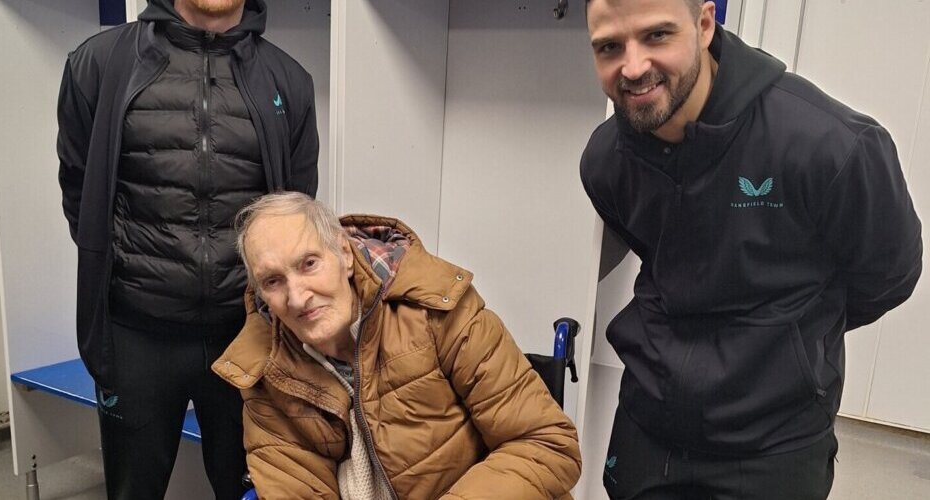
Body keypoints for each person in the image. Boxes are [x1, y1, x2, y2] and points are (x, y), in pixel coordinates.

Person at [579, 1, 922, 499]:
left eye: (656, 36)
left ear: (703, 24)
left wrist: (789, 342)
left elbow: (889, 275)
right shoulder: (605, 161)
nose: (632, 67)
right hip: (647, 432)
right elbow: (649, 251)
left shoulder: (829, 145)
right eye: (610, 46)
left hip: (773, 448)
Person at [56, 0, 318, 497]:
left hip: (247, 335)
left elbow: (296, 211)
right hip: (135, 335)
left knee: (252, 489)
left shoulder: (288, 81)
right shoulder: (98, 64)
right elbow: (80, 190)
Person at [212, 192, 582, 499]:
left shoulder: (438, 309)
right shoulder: (265, 371)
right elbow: (295, 490)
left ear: (343, 254)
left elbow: (546, 443)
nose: (297, 296)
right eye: (274, 281)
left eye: (309, 264)